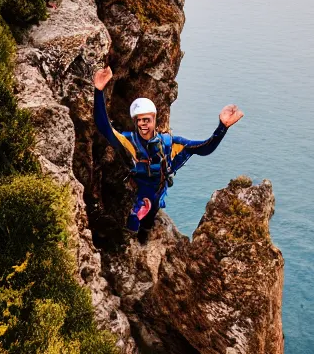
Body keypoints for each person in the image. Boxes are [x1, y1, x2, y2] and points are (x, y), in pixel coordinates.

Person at [93, 66, 243, 243]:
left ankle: (144, 232)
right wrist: (99, 91)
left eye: (147, 120)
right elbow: (104, 127)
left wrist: (222, 127)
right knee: (134, 220)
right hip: (137, 191)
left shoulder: (170, 144)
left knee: (148, 220)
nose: (143, 124)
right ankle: (130, 242)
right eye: (139, 120)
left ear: (155, 119)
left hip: (157, 190)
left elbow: (204, 148)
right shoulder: (129, 141)